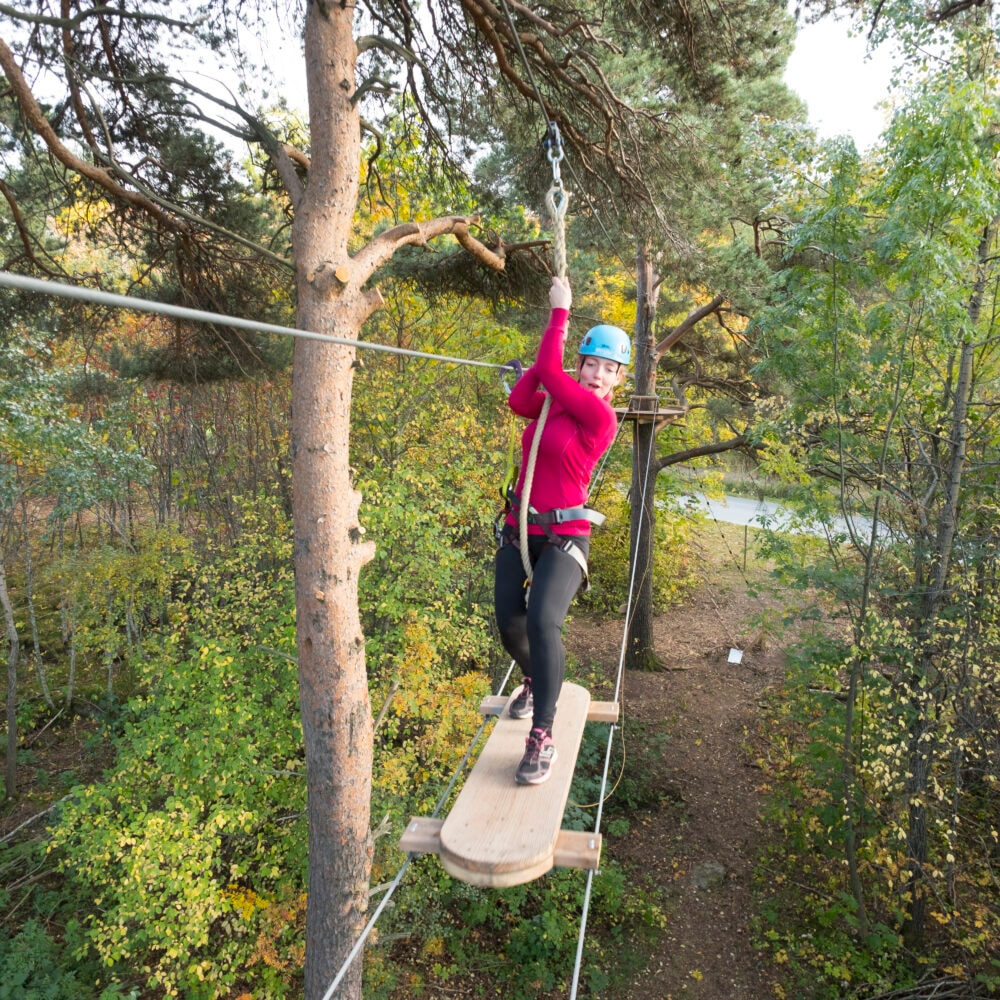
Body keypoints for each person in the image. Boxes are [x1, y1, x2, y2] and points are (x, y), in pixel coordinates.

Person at [494, 274, 630, 785]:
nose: (597, 375)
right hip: (519, 525)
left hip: (566, 534)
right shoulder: (555, 399)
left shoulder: (598, 416)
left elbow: (549, 371)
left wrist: (560, 311)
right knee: (508, 620)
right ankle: (533, 682)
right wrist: (538, 367)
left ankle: (542, 735)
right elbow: (522, 398)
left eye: (608, 369)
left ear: (617, 380)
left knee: (542, 621)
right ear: (581, 364)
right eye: (591, 364)